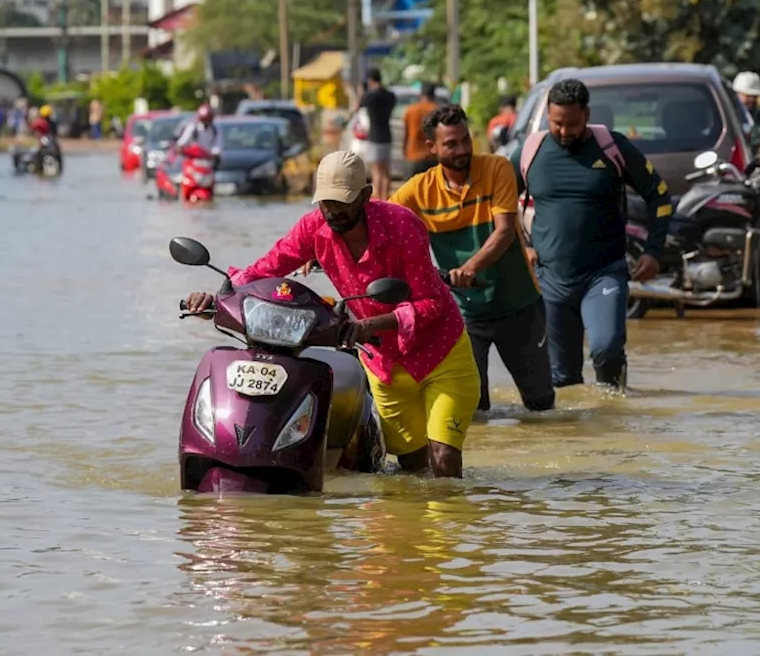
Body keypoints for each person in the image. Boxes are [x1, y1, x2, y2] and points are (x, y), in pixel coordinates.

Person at [182, 151, 480, 478]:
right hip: (384, 363)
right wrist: (217, 297)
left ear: (365, 195)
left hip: (439, 353)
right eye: (325, 202)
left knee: (444, 459)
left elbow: (430, 302)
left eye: (342, 203)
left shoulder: (402, 225)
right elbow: (264, 270)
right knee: (411, 472)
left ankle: (451, 524)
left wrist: (370, 324)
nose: (332, 211)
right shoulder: (314, 228)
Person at [510, 78, 671, 390]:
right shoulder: (530, 152)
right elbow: (499, 207)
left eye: (572, 124)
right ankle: (580, 437)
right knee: (563, 380)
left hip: (604, 273)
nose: (565, 132)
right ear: (547, 117)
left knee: (606, 349)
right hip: (551, 279)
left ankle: (615, 412)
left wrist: (654, 250)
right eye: (557, 123)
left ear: (587, 114)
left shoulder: (612, 147)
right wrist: (523, 247)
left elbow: (660, 196)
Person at [394, 105, 554, 413]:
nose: (462, 149)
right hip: (464, 314)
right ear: (432, 147)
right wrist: (319, 244)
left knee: (541, 406)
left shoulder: (497, 168)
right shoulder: (418, 190)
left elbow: (505, 231)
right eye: (451, 144)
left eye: (465, 140)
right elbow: (378, 221)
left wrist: (469, 268)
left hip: (518, 305)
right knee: (471, 408)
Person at [358, 68, 398, 200]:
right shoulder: (390, 95)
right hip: (387, 135)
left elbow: (359, 104)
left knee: (376, 172)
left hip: (375, 136)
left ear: (370, 80)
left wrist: (361, 91)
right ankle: (386, 199)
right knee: (386, 172)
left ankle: (378, 200)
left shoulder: (371, 96)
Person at [401, 82, 441, 181]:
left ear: (421, 94)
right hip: (433, 157)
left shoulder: (411, 110)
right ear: (434, 94)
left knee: (412, 192)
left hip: (413, 156)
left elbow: (406, 133)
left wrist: (404, 150)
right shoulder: (438, 110)